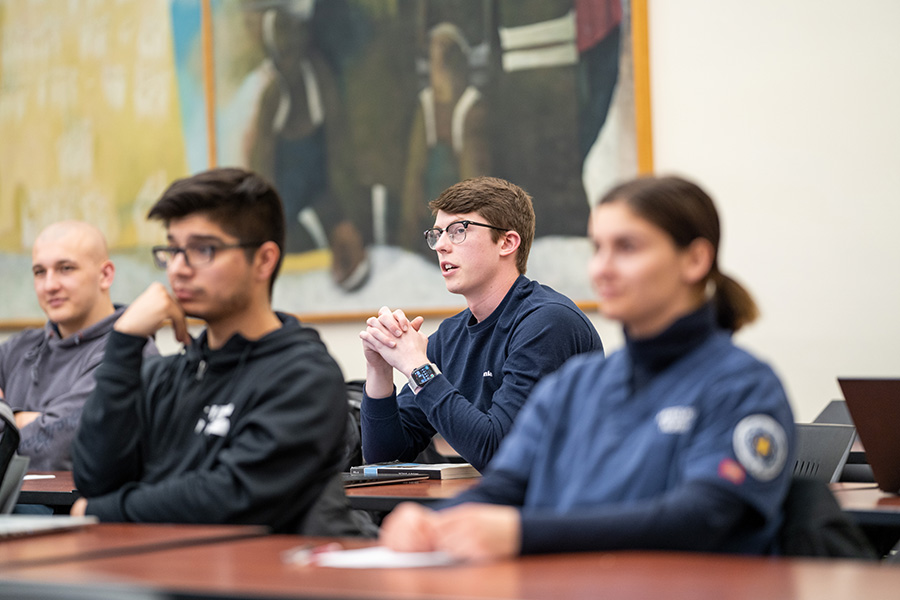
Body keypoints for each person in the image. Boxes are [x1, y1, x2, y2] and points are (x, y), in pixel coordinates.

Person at [380, 175, 796, 560]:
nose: (601, 268)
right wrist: (433, 523)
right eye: (598, 248)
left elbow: (702, 517)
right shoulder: (577, 385)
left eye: (627, 247)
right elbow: (505, 487)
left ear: (694, 260)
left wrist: (523, 534)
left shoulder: (743, 385)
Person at [70, 168, 368, 536]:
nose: (178, 269)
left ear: (264, 260)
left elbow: (233, 498)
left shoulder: (304, 375)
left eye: (202, 250)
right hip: (149, 575)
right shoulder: (165, 375)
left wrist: (103, 511)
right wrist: (123, 341)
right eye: (173, 250)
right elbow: (95, 479)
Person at [359, 176, 602, 471]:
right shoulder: (450, 336)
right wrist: (380, 369)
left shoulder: (547, 322)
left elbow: (499, 451)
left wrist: (417, 368)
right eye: (436, 234)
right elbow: (384, 457)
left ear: (507, 242)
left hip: (561, 510)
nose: (441, 247)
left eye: (458, 231)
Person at [0, 221, 156, 471]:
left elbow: (58, 449)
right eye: (40, 272)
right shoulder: (16, 349)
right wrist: (28, 422)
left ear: (105, 275)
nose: (50, 285)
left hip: (67, 508)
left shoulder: (129, 352)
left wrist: (6, 416)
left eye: (66, 268)